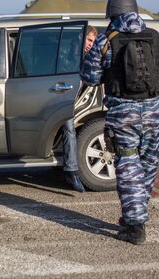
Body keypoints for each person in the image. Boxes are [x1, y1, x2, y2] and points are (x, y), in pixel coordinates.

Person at [80, 0, 159, 245]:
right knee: (148, 163)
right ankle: (137, 212)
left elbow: (89, 76)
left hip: (123, 114)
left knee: (128, 165)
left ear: (112, 13)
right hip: (154, 112)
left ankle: (135, 226)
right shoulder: (157, 38)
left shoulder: (106, 41)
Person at [61, 26, 98, 192]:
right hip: (60, 98)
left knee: (70, 130)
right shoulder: (63, 54)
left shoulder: (89, 57)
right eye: (89, 40)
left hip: (79, 101)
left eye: (93, 42)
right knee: (69, 129)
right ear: (80, 38)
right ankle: (71, 171)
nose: (91, 44)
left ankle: (72, 171)